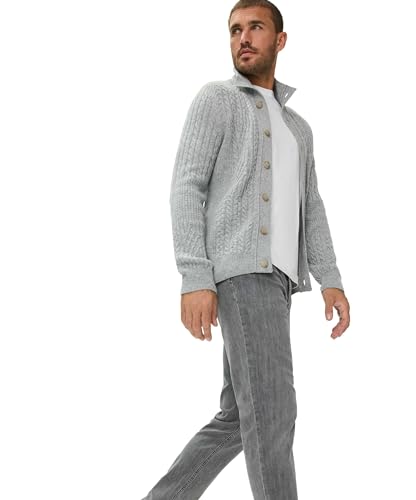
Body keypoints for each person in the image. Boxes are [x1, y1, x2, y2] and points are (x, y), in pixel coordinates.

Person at [141, 1, 350, 498]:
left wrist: (331, 278)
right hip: (241, 274)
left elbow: (311, 207)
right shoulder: (217, 99)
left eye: (256, 27)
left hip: (279, 283)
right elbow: (186, 187)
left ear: (280, 40)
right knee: (273, 412)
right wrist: (195, 276)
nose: (243, 38)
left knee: (241, 417)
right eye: (235, 30)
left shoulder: (299, 128)